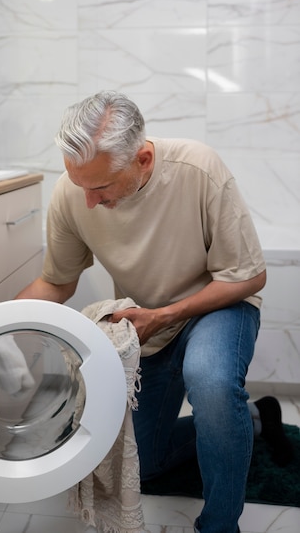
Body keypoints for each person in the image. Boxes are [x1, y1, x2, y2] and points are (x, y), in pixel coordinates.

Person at [16, 91, 291, 533]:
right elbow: (57, 282)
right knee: (141, 461)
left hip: (217, 307)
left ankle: (220, 525)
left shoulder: (198, 169)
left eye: (101, 187)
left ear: (143, 159)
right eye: (79, 185)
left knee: (211, 381)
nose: (88, 201)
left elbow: (249, 277)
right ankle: (255, 419)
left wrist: (165, 315)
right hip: (145, 325)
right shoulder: (74, 192)